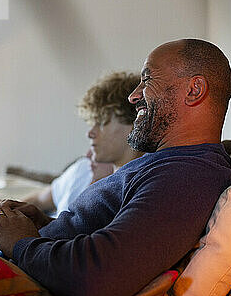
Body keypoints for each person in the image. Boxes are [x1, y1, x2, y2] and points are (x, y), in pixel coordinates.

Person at [0, 39, 231, 296]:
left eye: (147, 80)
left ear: (194, 90)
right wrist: (43, 226)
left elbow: (97, 278)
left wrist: (21, 243)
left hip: (23, 278)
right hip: (23, 261)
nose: (134, 96)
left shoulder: (187, 178)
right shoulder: (169, 164)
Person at [22, 72, 143, 216]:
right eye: (93, 123)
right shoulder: (84, 168)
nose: (90, 133)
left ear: (135, 123)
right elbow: (39, 200)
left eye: (102, 123)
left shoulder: (141, 187)